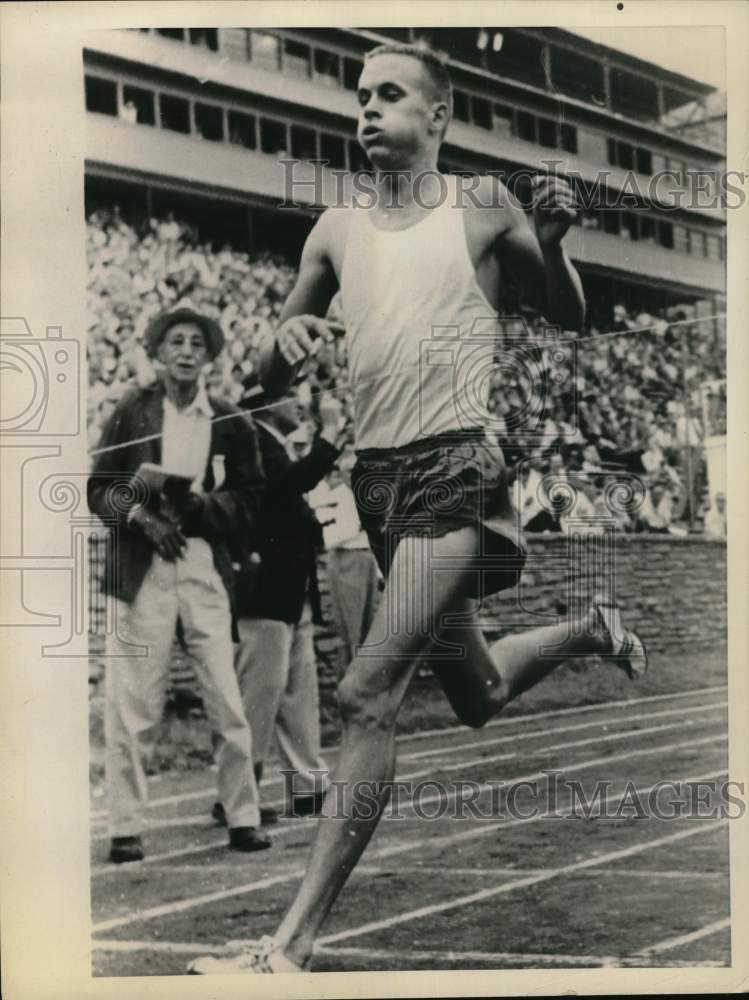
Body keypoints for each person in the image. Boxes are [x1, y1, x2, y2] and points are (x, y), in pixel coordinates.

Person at [188, 42, 646, 975]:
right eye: (359, 96)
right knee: (473, 691)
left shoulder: (481, 206)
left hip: (456, 474)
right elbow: (265, 374)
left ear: (437, 116)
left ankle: (289, 945)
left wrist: (555, 246)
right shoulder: (332, 231)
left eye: (388, 95)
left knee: (365, 694)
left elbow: (566, 314)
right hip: (382, 484)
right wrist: (283, 342)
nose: (365, 110)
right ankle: (587, 631)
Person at [88, 303, 271, 862]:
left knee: (224, 692)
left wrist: (199, 507)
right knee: (133, 699)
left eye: (197, 343)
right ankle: (124, 827)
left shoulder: (230, 419)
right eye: (177, 343)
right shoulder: (132, 410)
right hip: (141, 567)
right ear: (159, 352)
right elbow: (100, 489)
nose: (187, 352)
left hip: (200, 563)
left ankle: (242, 815)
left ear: (210, 356)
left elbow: (251, 497)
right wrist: (144, 519)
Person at [221, 381, 345, 824]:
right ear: (269, 404)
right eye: (291, 395)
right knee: (260, 694)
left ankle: (308, 784)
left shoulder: (271, 443)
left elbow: (288, 501)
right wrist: (328, 435)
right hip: (265, 590)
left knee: (296, 692)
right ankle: (237, 795)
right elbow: (289, 484)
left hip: (288, 590)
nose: (300, 403)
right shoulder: (254, 440)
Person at [309, 460, 382, 678]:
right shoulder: (334, 497)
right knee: (350, 630)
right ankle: (349, 681)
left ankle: (367, 684)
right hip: (346, 559)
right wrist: (358, 526)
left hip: (366, 558)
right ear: (339, 473)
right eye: (349, 470)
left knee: (369, 628)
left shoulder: (368, 495)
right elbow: (327, 536)